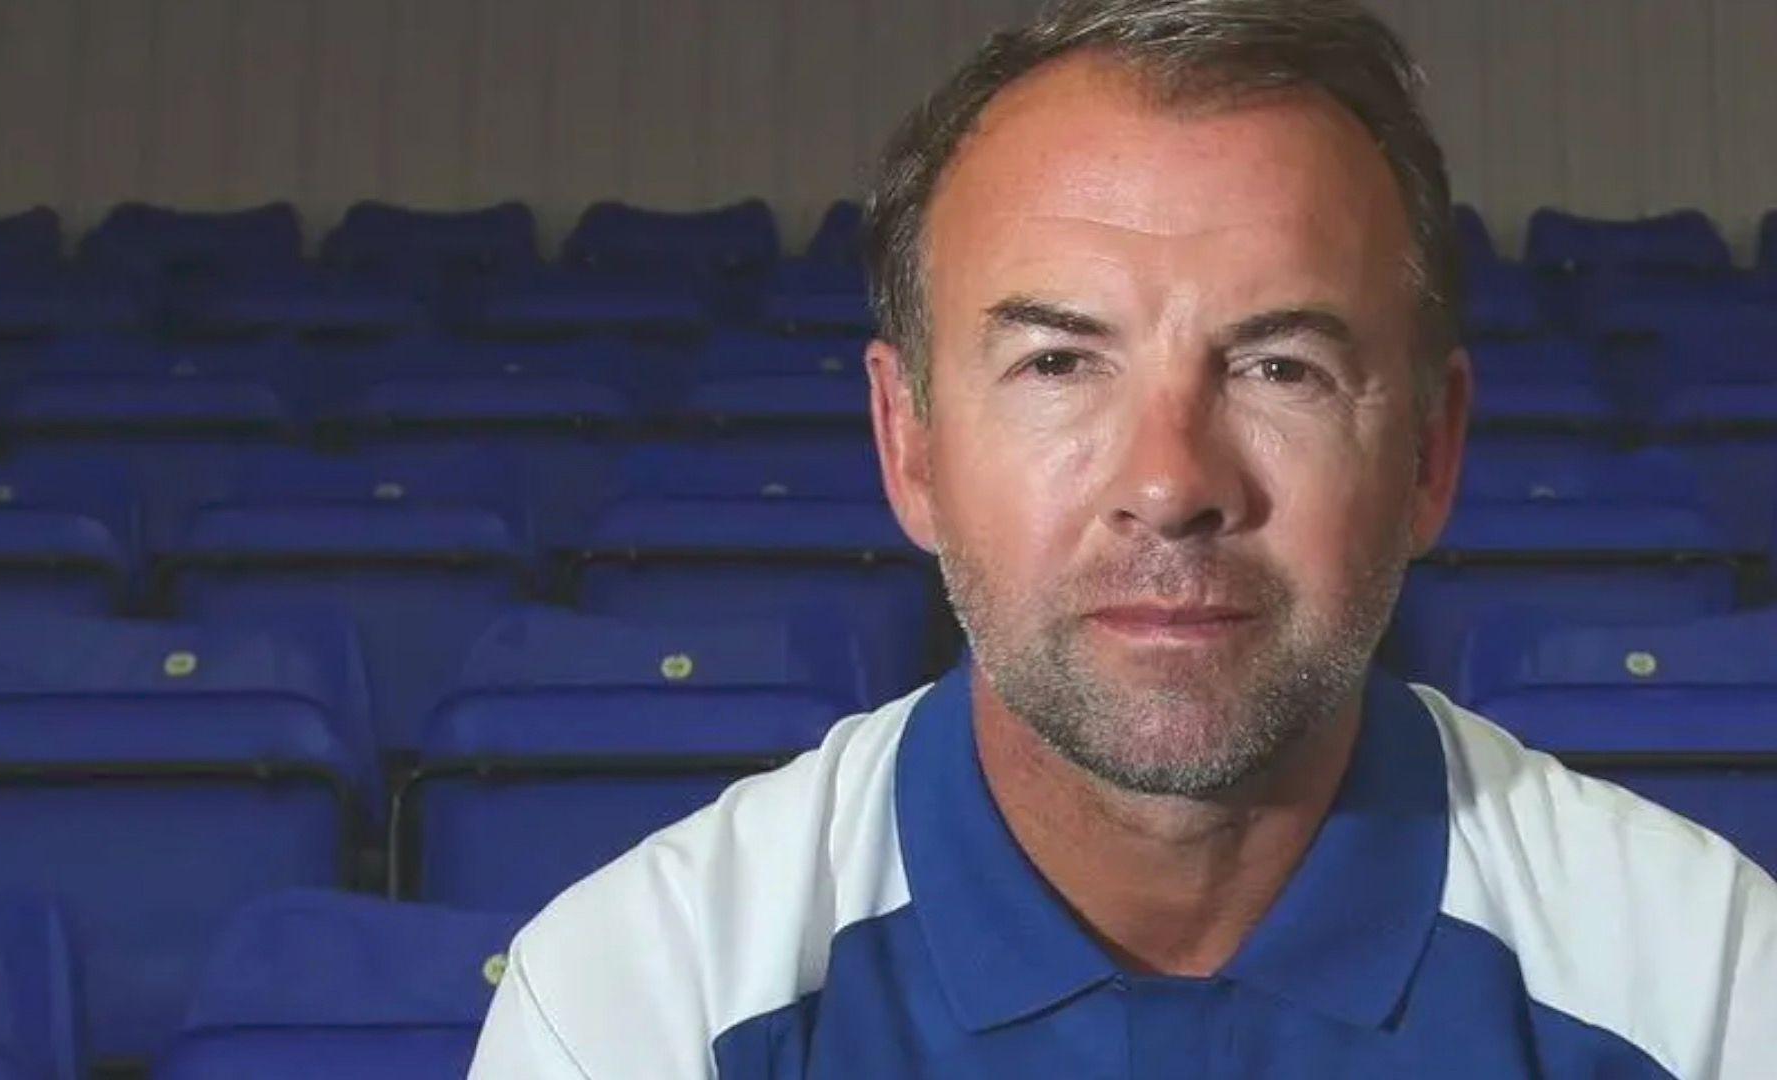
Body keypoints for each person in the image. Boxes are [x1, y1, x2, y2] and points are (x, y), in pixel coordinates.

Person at [471, 1, 1776, 1075]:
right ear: (907, 444)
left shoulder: (1707, 990)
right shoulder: (636, 1009)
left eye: (1280, 367)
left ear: (1432, 453)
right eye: (1057, 364)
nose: (1169, 483)